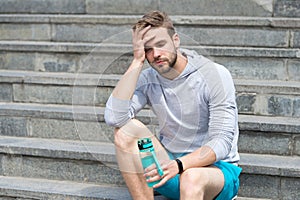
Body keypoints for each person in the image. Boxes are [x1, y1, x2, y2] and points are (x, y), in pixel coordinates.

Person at [104, 10, 242, 200]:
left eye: (161, 44)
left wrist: (179, 164)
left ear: (175, 40)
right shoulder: (148, 78)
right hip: (170, 167)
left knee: (191, 177)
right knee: (123, 132)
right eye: (148, 50)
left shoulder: (214, 75)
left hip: (215, 173)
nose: (156, 54)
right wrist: (137, 61)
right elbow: (114, 118)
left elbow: (221, 143)